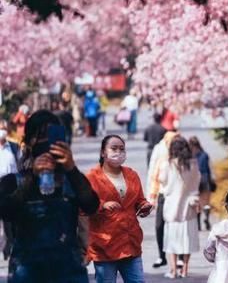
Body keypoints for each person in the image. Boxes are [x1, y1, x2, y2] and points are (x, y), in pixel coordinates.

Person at [0, 110, 99, 282]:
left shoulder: (72, 179)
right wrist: (32, 177)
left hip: (68, 271)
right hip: (27, 271)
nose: (47, 143)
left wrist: (71, 169)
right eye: (41, 135)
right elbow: (7, 211)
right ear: (30, 142)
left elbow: (91, 205)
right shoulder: (13, 181)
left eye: (52, 136)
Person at [86, 135, 153, 283]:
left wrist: (144, 206)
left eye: (122, 149)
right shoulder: (92, 177)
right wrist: (102, 205)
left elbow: (139, 200)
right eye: (114, 148)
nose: (118, 152)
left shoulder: (132, 175)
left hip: (131, 243)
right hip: (105, 246)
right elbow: (83, 207)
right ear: (103, 152)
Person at [158, 136, 200, 279]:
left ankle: (173, 270)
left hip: (172, 208)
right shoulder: (193, 164)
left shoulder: (167, 165)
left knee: (171, 239)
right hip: (189, 207)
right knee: (187, 239)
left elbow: (162, 180)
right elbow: (197, 182)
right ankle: (185, 269)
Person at [146, 131, 178, 268]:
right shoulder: (160, 151)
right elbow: (154, 175)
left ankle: (179, 257)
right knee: (159, 226)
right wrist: (151, 196)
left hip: (177, 195)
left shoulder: (181, 153)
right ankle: (161, 255)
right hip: (162, 195)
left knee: (177, 226)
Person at [0, 119, 21, 260]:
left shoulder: (14, 146)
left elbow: (20, 165)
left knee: (9, 221)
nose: (2, 130)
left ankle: (9, 247)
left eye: (4, 128)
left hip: (10, 187)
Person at [188, 136, 215, 231]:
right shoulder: (205, 155)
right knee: (206, 202)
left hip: (195, 181)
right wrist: (212, 180)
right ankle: (206, 219)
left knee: (198, 202)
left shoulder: (189, 156)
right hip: (205, 179)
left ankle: (198, 224)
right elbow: (209, 169)